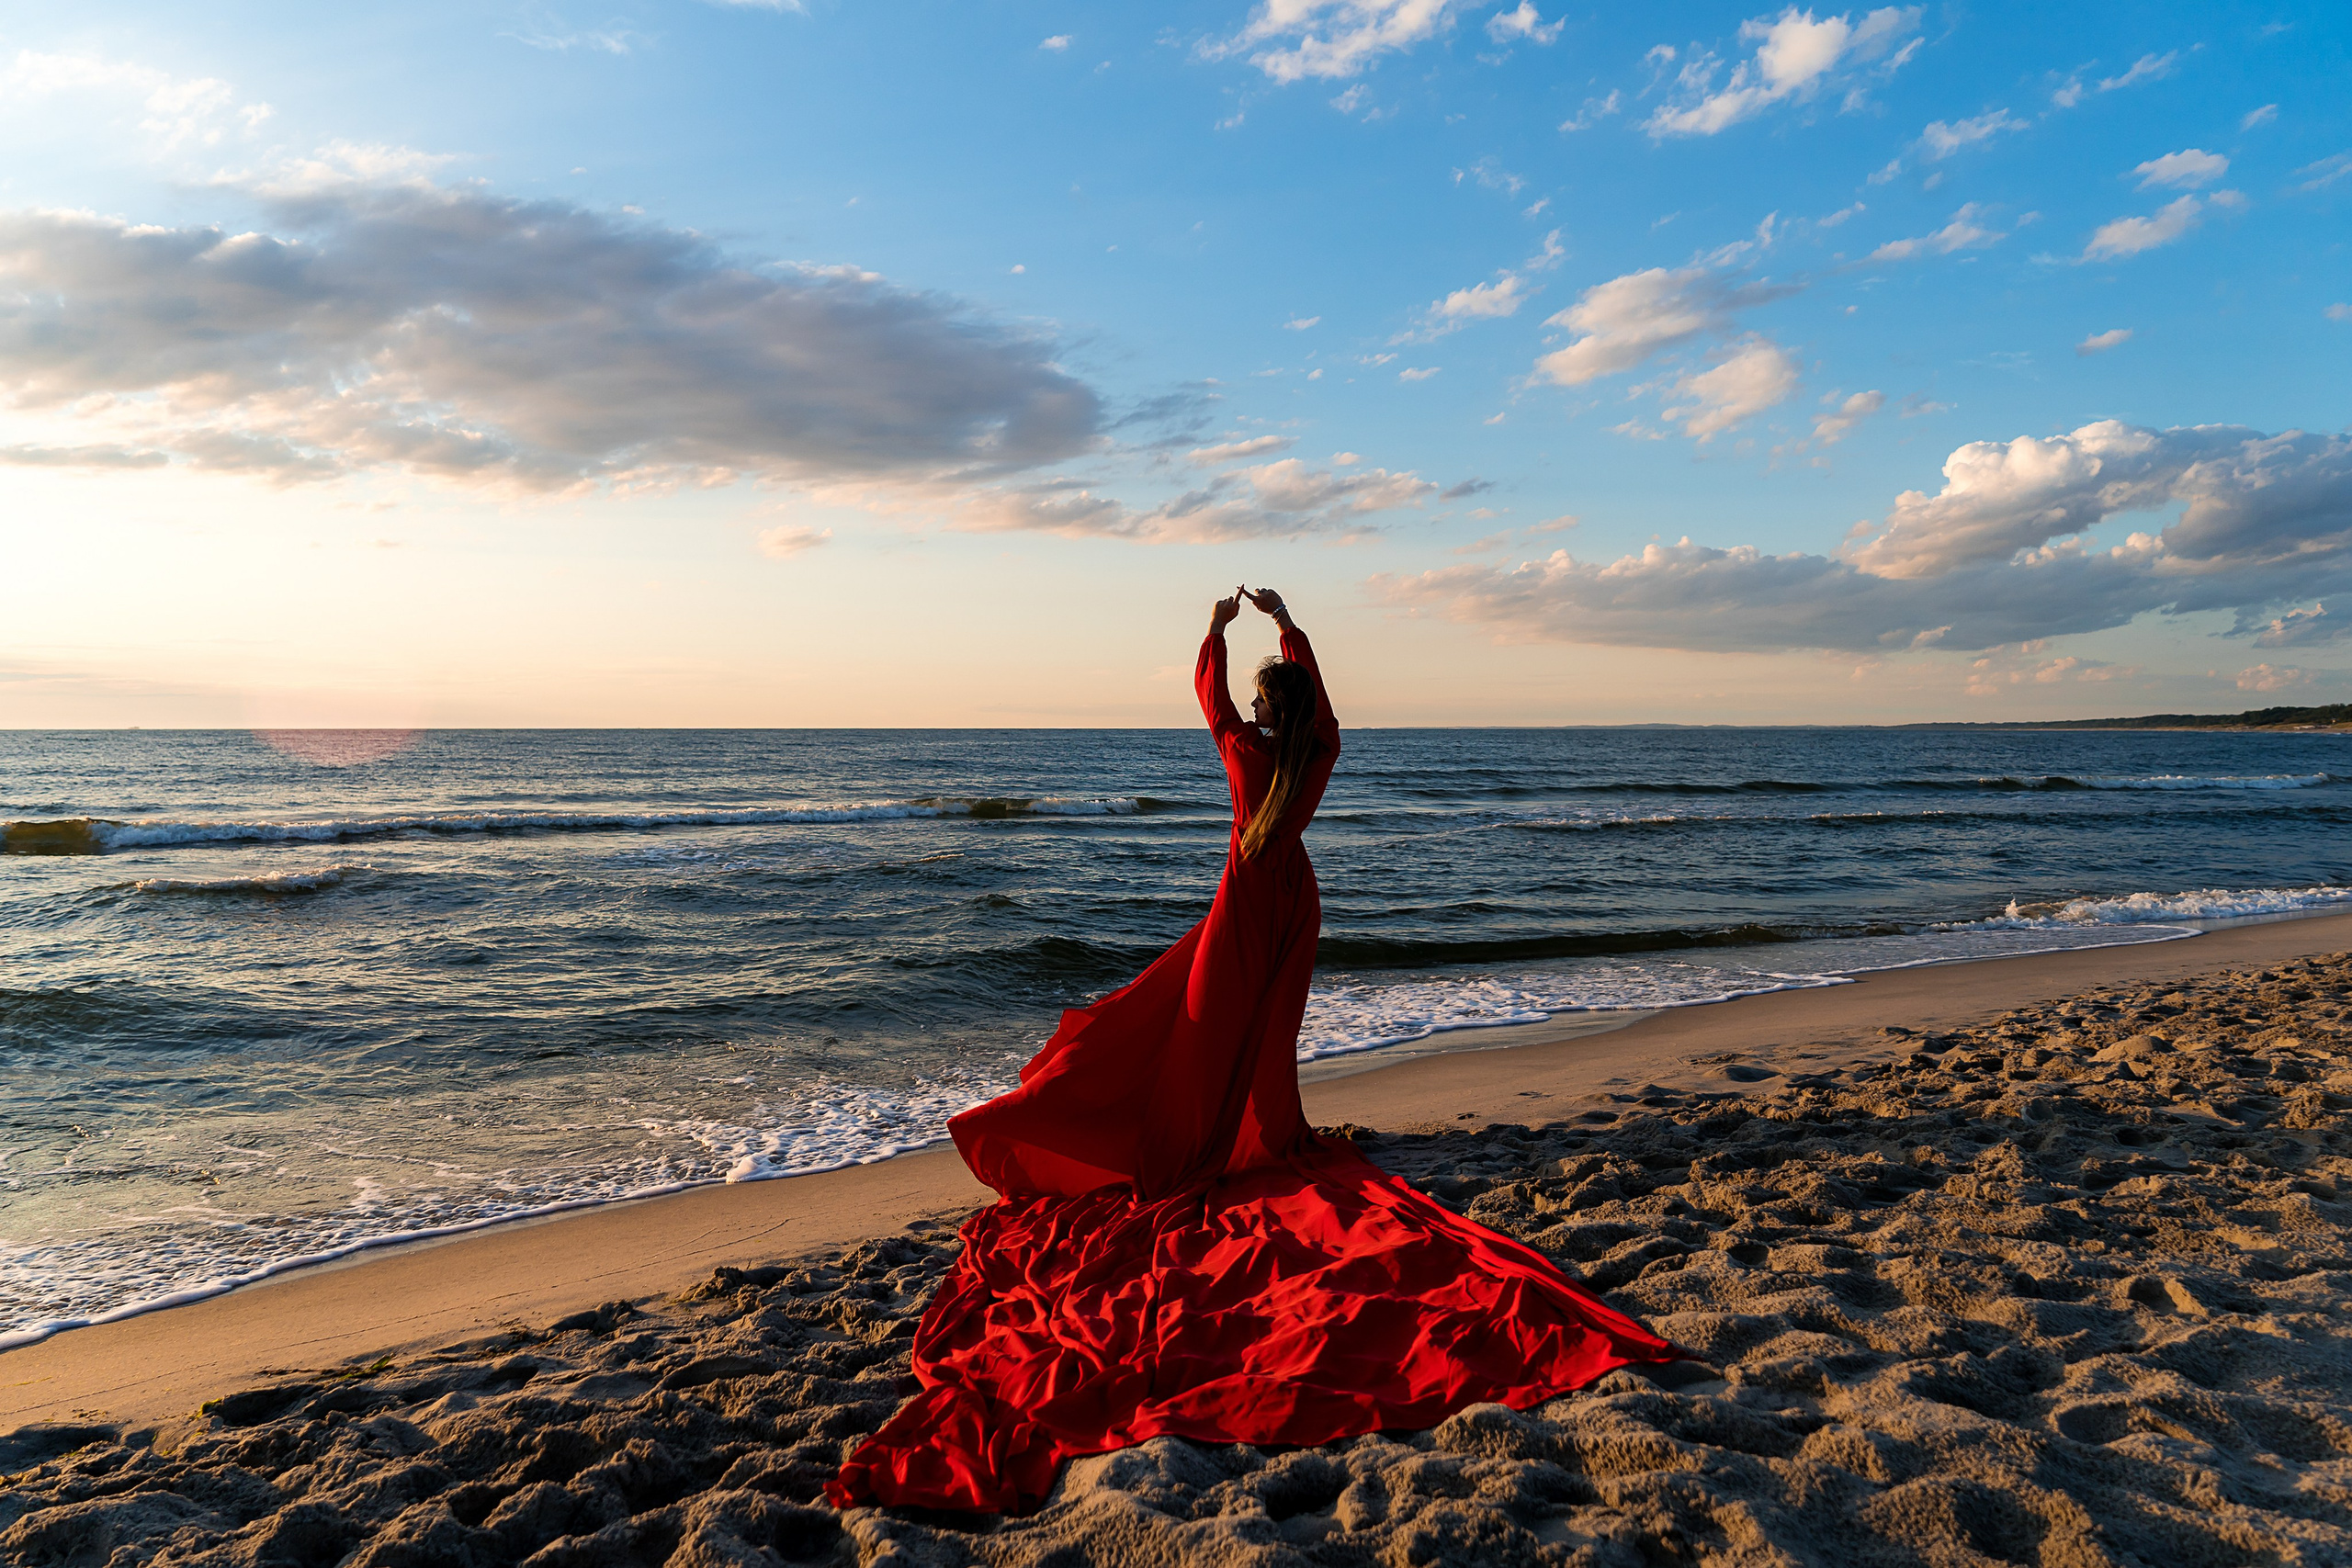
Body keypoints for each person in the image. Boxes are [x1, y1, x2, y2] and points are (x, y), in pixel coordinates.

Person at [829, 588, 1677, 1515]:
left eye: (1266, 700)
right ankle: (1249, 1137)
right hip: (1291, 905)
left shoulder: (1247, 751)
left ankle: (1193, 1151)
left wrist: (1217, 633)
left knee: (1195, 1030)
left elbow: (1211, 699)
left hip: (1243, 905)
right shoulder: (1316, 755)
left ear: (1269, 709)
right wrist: (1287, 630)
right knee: (1257, 1037)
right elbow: (1311, 700)